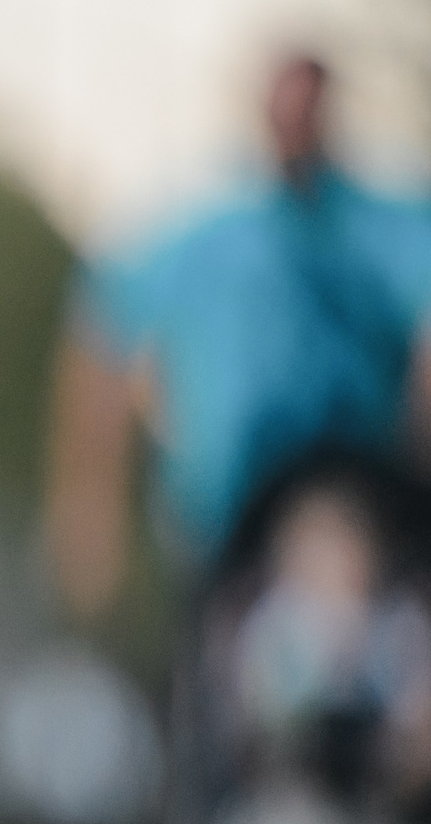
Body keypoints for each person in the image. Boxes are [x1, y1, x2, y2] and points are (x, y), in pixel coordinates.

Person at [45, 52, 431, 614]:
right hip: (229, 518)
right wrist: (89, 508)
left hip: (368, 502)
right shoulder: (206, 237)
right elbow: (104, 326)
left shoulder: (387, 227)